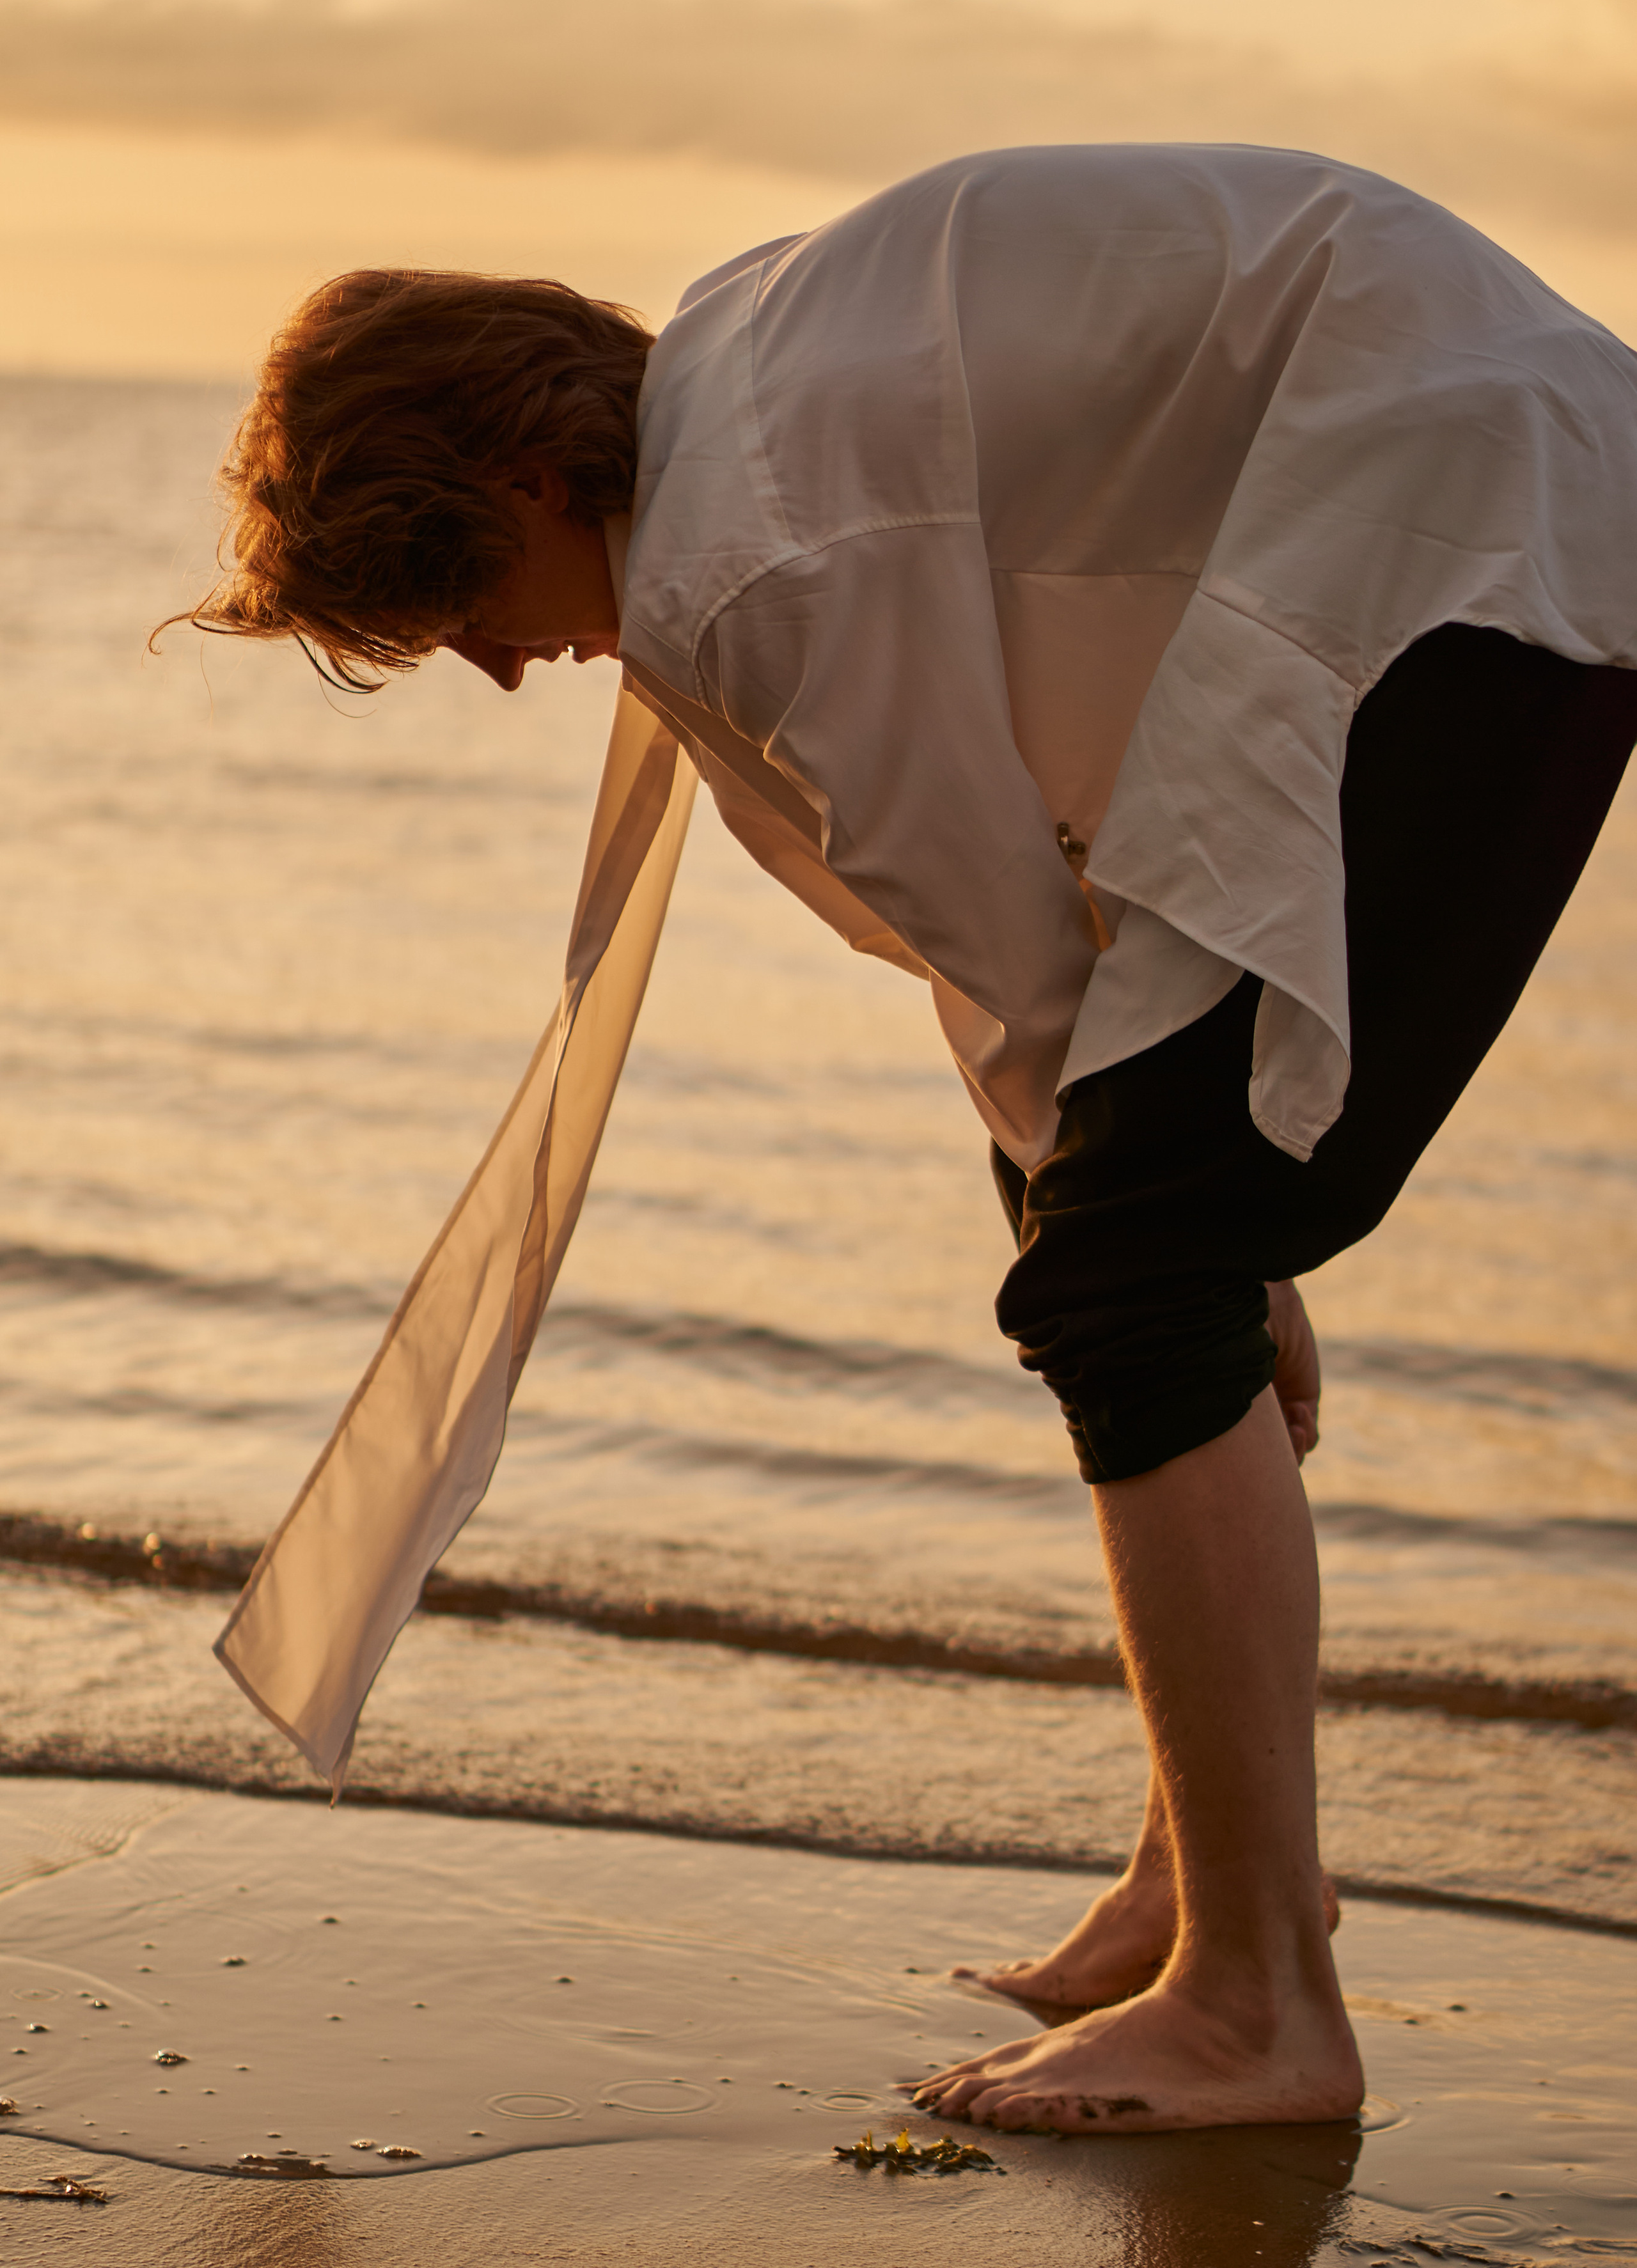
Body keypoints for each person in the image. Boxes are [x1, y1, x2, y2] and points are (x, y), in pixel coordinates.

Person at [180, 143, 1637, 2136]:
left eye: (459, 603)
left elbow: (1002, 934)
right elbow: (1017, 924)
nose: (503, 666)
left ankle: (1260, 2008)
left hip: (1469, 520)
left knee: (1130, 1267)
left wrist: (1191, 1243)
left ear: (524, 476)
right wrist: (1169, 1219)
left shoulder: (749, 551)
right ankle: (1215, 1887)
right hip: (1430, 478)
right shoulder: (739, 406)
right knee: (1125, 1235)